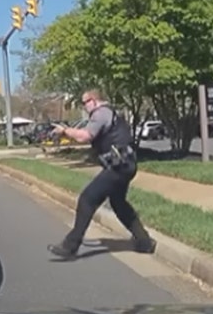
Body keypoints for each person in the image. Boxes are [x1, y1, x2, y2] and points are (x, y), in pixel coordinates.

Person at [47, 89, 156, 259]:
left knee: (87, 199)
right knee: (118, 203)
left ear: (94, 100)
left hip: (118, 167)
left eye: (85, 102)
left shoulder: (101, 113)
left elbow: (85, 136)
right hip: (125, 165)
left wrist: (65, 130)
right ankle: (144, 242)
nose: (84, 106)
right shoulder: (108, 113)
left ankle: (70, 246)